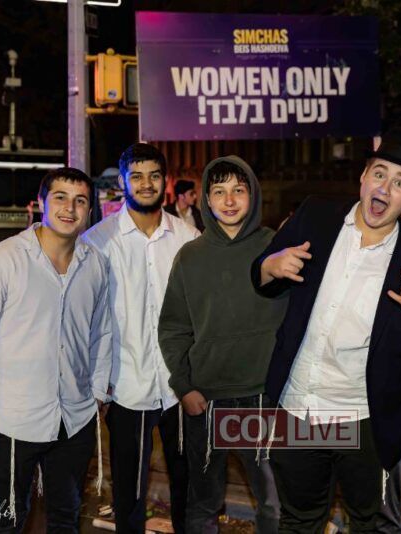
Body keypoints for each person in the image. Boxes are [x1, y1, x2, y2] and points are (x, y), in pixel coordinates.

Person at [252, 136, 401, 532]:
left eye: (400, 182)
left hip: (365, 419)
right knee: (298, 520)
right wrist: (272, 264)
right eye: (379, 174)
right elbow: (263, 277)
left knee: (370, 523)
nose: (384, 188)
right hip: (300, 406)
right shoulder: (316, 216)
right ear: (363, 176)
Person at [0, 167, 113, 532]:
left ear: (90, 209)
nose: (70, 208)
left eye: (80, 201)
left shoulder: (96, 264)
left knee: (66, 517)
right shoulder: (1, 261)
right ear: (40, 202)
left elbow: (101, 333)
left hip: (75, 418)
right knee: (8, 520)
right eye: (60, 198)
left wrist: (98, 391)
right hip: (13, 419)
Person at [159, 156, 283, 533]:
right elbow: (174, 327)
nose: (229, 200)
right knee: (203, 503)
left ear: (253, 194)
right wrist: (184, 386)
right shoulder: (190, 256)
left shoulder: (275, 247)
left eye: (238, 190)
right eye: (219, 191)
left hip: (262, 397)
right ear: (207, 200)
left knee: (273, 502)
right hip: (207, 399)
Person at [83, 144, 199, 534]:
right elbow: (88, 316)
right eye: (136, 176)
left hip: (180, 385)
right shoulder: (98, 242)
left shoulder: (188, 237)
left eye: (153, 175)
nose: (146, 184)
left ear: (165, 181)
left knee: (187, 482)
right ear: (122, 182)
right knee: (129, 491)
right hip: (125, 384)